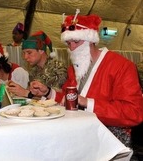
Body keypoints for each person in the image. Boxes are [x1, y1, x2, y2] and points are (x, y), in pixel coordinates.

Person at [29, 12, 143, 147]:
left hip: (111, 136)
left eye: (76, 41)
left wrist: (87, 103)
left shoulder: (122, 66)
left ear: (91, 40)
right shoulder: (75, 68)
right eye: (68, 43)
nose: (72, 48)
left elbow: (134, 113)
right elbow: (70, 99)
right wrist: (48, 92)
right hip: (81, 130)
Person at [7, 31, 67, 99]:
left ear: (41, 51)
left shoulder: (58, 68)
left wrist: (26, 93)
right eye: (24, 53)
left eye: (29, 53)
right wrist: (17, 89)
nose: (25, 57)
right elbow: (31, 94)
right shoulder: (33, 70)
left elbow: (57, 98)